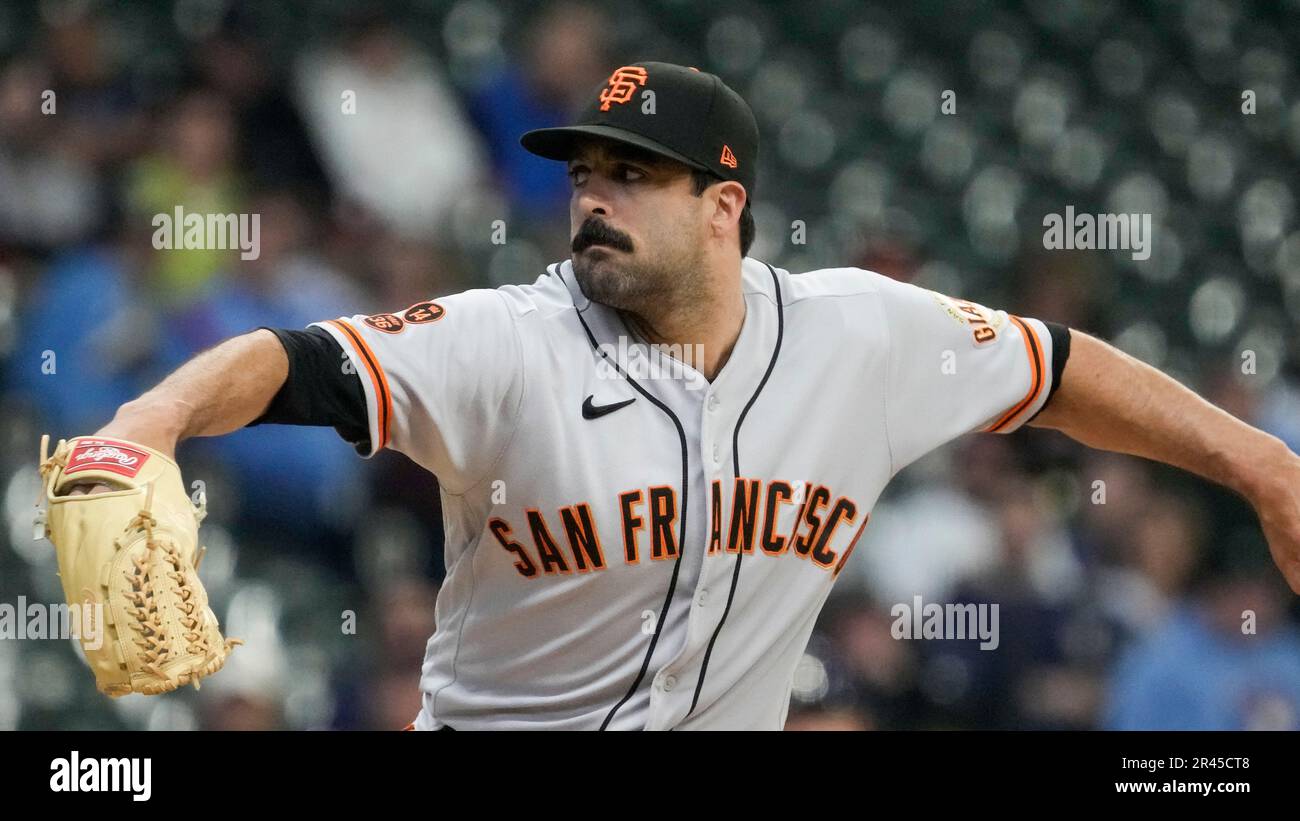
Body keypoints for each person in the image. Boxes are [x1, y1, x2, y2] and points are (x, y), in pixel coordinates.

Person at [67, 62, 1300, 730]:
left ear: (724, 206)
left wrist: (1259, 463)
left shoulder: (858, 332)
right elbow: (297, 359)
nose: (592, 195)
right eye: (584, 172)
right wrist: (145, 423)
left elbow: (1060, 367)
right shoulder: (506, 338)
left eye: (633, 174)